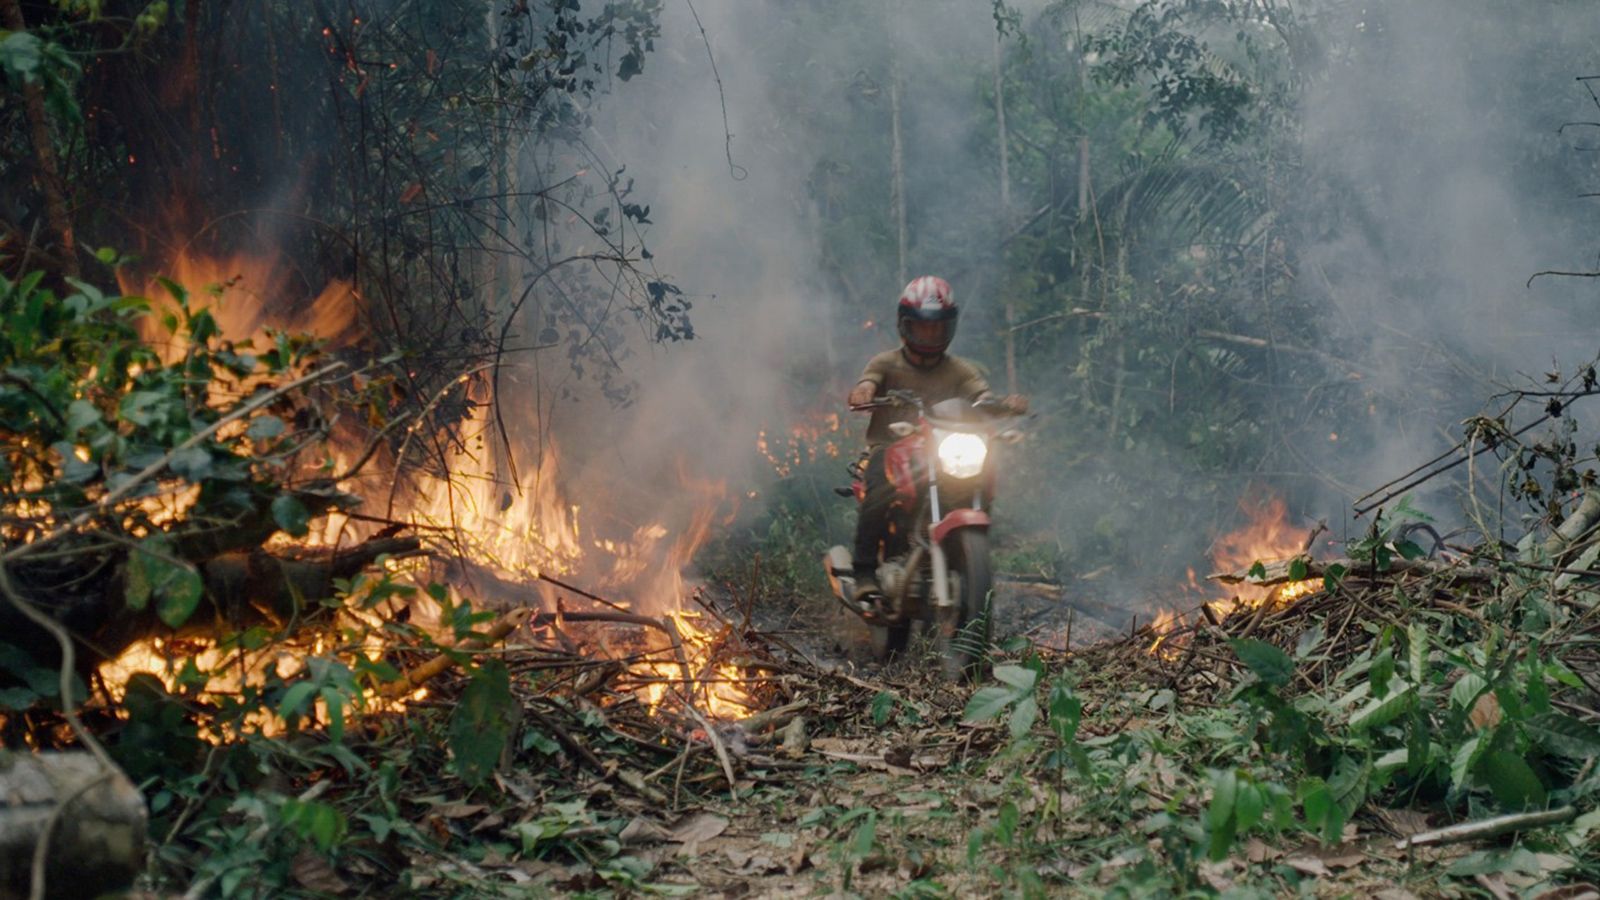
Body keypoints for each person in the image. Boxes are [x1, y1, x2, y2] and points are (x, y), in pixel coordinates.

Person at [847, 275, 1026, 601]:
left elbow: (981, 395)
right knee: (879, 487)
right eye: (922, 327)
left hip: (940, 447)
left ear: (949, 327)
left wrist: (1003, 404)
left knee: (980, 476)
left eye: (937, 327)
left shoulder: (960, 369)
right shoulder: (886, 362)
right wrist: (864, 391)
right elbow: (869, 381)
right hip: (891, 447)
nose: (929, 334)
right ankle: (863, 572)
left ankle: (965, 559)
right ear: (905, 325)